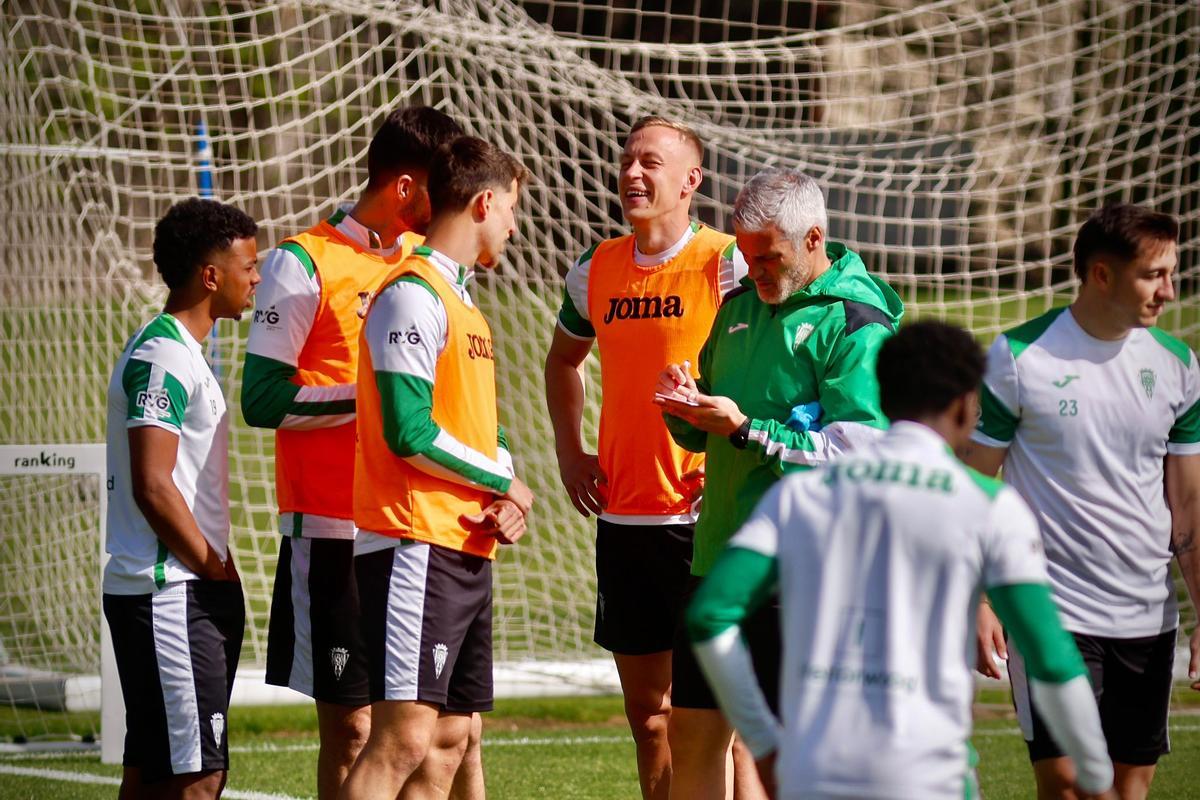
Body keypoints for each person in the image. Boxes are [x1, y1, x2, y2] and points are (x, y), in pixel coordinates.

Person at [687, 320, 1117, 800]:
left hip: (812, 774)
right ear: (964, 406)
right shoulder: (989, 506)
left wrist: (765, 742)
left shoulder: (801, 496)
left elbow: (709, 616)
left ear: (884, 400)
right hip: (927, 778)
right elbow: (1051, 658)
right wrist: (1097, 776)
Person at [655, 167, 903, 800]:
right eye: (744, 254)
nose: (753, 269)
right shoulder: (736, 309)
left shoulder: (857, 324)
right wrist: (685, 410)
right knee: (692, 735)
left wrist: (746, 431)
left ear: (813, 237)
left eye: (766, 256)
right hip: (718, 561)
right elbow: (711, 429)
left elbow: (861, 459)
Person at [241, 107, 465, 800]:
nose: (452, 204)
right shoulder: (299, 260)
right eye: (441, 188)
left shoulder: (431, 271)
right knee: (354, 727)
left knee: (440, 733)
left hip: (413, 531)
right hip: (331, 531)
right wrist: (373, 397)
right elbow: (263, 399)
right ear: (405, 187)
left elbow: (455, 395)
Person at [543, 115, 746, 799]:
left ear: (692, 180)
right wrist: (571, 452)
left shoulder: (730, 261)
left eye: (651, 161)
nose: (633, 172)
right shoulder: (593, 269)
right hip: (625, 521)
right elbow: (562, 362)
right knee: (648, 715)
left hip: (709, 517)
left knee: (730, 717)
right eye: (628, 160)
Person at [968, 203, 1200, 800]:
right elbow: (975, 486)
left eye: (1172, 273)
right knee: (1070, 787)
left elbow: (1189, 507)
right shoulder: (1018, 357)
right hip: (1049, 613)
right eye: (1154, 274)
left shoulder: (1178, 366)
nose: (1169, 291)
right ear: (1101, 274)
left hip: (1148, 615)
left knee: (1128, 790)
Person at [341, 136, 534, 800]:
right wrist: (503, 480)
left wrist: (503, 488)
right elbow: (408, 431)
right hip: (413, 540)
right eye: (510, 208)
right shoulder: (411, 293)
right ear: (483, 203)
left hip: (463, 540)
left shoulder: (462, 301)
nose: (514, 223)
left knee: (453, 738)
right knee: (402, 739)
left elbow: (474, 428)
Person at [103, 198, 259, 799]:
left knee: (150, 774)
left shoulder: (183, 351)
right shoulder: (163, 354)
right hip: (168, 591)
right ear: (210, 275)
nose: (256, 278)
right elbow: (153, 483)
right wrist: (210, 564)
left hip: (173, 588)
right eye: (248, 266)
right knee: (198, 778)